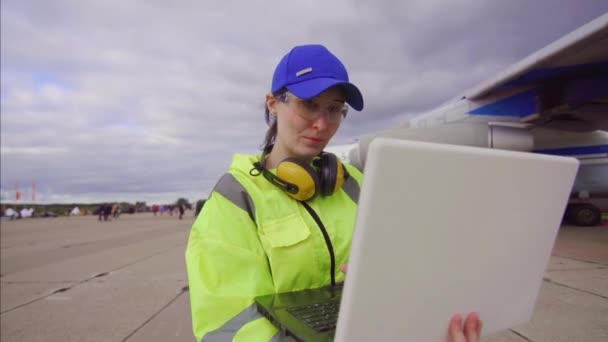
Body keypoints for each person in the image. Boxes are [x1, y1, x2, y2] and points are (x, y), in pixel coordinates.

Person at [185, 44, 482, 341]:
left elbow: (404, 264)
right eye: (309, 105)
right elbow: (228, 324)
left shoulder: (356, 183)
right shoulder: (234, 199)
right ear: (273, 103)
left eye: (334, 109)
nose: (322, 124)